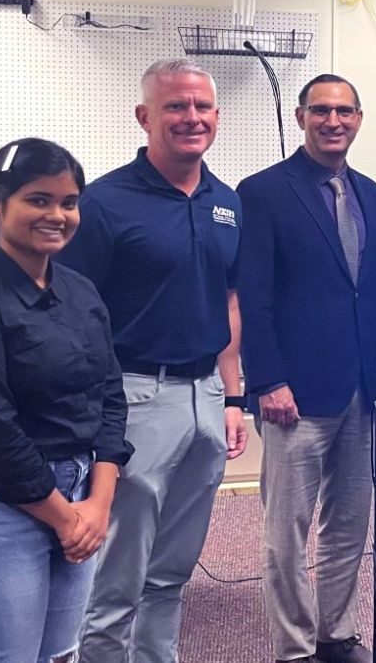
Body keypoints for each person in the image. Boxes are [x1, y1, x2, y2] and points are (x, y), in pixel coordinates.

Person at [59, 59, 247, 663]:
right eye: (175, 107)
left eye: (202, 108)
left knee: (170, 572)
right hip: (135, 397)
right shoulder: (104, 203)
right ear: (145, 117)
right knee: (116, 575)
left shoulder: (227, 202)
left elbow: (228, 300)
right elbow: (71, 315)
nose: (191, 118)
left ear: (216, 116)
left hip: (207, 400)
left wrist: (233, 395)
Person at [0, 139, 131, 662]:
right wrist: (68, 519)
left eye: (69, 202)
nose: (58, 215)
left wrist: (98, 502)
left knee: (59, 654)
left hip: (81, 494)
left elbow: (110, 395)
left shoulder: (82, 292)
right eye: (38, 200)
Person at [237, 74, 376, 663]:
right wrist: (265, 381)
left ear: (359, 119)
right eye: (321, 111)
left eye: (344, 112)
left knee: (348, 524)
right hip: (295, 391)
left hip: (362, 387)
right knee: (286, 530)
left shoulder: (372, 193)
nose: (333, 121)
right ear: (304, 118)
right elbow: (252, 296)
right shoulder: (262, 192)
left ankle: (337, 633)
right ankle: (293, 647)